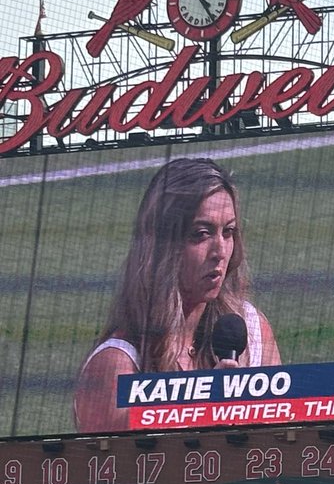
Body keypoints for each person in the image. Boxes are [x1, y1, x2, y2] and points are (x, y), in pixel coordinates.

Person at [74, 158, 280, 433]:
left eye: (228, 232)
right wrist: (202, 412)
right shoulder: (116, 366)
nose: (220, 251)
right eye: (201, 234)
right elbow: (110, 472)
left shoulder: (252, 331)